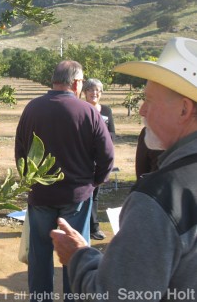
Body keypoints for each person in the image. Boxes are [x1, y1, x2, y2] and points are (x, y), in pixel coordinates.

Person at [51, 37, 197, 301]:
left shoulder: (161, 196)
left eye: (149, 100)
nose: (141, 110)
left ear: (184, 109)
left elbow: (116, 295)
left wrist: (79, 257)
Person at [15, 60, 114, 302]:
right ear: (77, 82)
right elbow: (107, 156)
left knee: (39, 255)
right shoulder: (89, 112)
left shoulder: (32, 109)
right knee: (76, 254)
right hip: (76, 197)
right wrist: (94, 182)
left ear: (54, 80)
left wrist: (30, 181)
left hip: (40, 196)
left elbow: (20, 151)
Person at [82, 78, 115, 240]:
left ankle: (94, 227)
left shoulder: (107, 111)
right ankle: (81, 226)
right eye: (90, 90)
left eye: (97, 91)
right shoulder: (81, 109)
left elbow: (112, 134)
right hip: (83, 160)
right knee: (83, 193)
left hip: (99, 160)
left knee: (95, 195)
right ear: (84, 92)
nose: (94, 93)